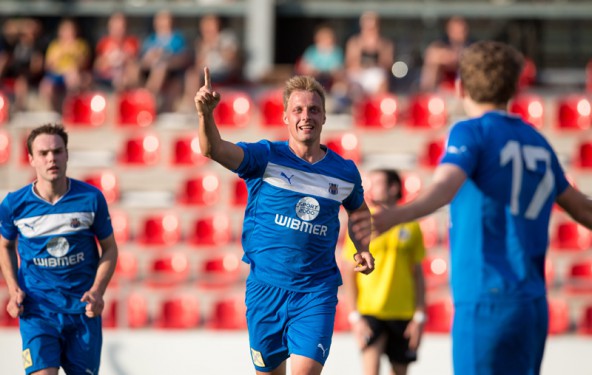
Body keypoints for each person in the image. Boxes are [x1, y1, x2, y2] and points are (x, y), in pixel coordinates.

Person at [351, 40, 592, 375]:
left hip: (484, 300)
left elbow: (444, 187)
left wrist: (395, 215)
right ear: (514, 87)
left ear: (461, 87)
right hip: (532, 303)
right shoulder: (536, 140)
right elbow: (584, 211)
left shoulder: (471, 131)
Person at [194, 67, 375, 375]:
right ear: (286, 117)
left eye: (314, 110)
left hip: (316, 291)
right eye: (299, 110)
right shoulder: (266, 157)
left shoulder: (344, 172)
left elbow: (358, 210)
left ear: (324, 117)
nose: (307, 116)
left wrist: (363, 246)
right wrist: (206, 115)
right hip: (266, 289)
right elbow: (213, 149)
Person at [0, 123, 119, 375]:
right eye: (43, 153)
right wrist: (13, 290)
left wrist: (97, 291)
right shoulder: (14, 204)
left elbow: (109, 249)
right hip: (38, 310)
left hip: (81, 311)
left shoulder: (91, 199)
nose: (51, 158)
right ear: (31, 159)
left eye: (57, 151)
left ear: (67, 154)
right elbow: (5, 245)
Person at [342, 169, 426, 375]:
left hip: (402, 313)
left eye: (377, 183)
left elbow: (418, 274)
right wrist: (354, 316)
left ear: (393, 188)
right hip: (370, 311)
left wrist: (419, 316)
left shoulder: (410, 225)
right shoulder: (362, 222)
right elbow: (348, 272)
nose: (371, 187)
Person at [140, 10, 189, 110]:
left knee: (160, 68)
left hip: (173, 73)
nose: (163, 22)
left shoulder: (177, 39)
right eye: (160, 19)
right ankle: (142, 99)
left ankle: (147, 102)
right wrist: (152, 58)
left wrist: (165, 58)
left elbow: (183, 59)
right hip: (149, 71)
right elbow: (143, 61)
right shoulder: (150, 40)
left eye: (165, 19)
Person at [39, 18, 91, 111]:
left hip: (73, 74)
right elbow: (48, 65)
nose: (68, 33)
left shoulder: (80, 45)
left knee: (72, 76)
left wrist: (73, 56)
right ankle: (52, 111)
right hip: (57, 74)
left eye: (70, 30)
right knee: (46, 85)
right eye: (65, 30)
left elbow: (83, 63)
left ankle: (71, 109)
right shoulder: (55, 46)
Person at [344, 11, 394, 100]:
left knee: (381, 79)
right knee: (352, 82)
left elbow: (387, 64)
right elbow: (349, 62)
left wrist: (377, 47)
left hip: (376, 73)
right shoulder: (354, 42)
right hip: (358, 73)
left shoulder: (384, 43)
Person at [419, 16, 471, 92]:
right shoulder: (441, 43)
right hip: (444, 88)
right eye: (454, 30)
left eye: (461, 30)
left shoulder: (471, 46)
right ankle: (427, 92)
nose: (457, 33)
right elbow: (434, 55)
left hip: (465, 88)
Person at [93, 12, 141, 92]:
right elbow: (98, 65)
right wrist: (110, 60)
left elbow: (134, 63)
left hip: (126, 77)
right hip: (109, 78)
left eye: (121, 27)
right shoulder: (103, 43)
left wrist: (125, 59)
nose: (119, 31)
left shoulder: (132, 42)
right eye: (115, 27)